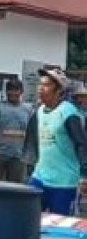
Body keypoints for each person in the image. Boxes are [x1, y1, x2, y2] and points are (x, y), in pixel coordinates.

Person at [23, 67, 87, 216]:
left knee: (60, 224)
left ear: (59, 91)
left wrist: (84, 175)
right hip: (39, 178)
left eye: (46, 85)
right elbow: (33, 141)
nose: (41, 88)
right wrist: (31, 166)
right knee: (30, 218)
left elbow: (81, 144)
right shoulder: (39, 111)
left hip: (64, 182)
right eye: (40, 84)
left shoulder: (68, 113)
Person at [0, 79, 32, 183]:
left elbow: (32, 131)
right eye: (10, 90)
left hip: (18, 156)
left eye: (16, 90)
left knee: (15, 190)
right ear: (6, 92)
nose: (13, 93)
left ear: (21, 92)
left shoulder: (28, 109)